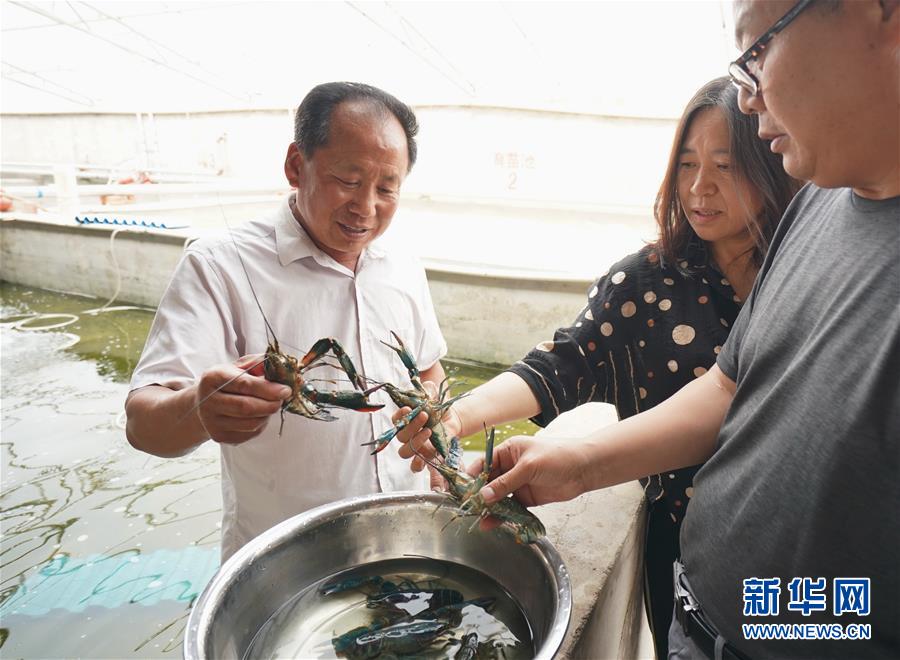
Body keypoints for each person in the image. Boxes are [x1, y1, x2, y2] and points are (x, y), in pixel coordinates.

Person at [405, 1, 899, 657]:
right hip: (694, 610)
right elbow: (727, 387)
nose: (749, 95)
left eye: (758, 48)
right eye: (687, 165)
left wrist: (795, 629)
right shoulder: (817, 204)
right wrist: (576, 462)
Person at [394, 76, 798, 659]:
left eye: (725, 166)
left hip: (792, 544)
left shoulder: (798, 273)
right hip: (682, 543)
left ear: (770, 164)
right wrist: (456, 415)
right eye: (686, 165)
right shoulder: (645, 281)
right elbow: (562, 363)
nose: (699, 187)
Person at [125, 82, 447, 561]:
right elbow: (142, 425)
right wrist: (199, 408)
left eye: (386, 188)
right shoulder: (218, 264)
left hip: (408, 538)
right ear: (296, 165)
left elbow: (427, 369)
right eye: (348, 180)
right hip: (287, 563)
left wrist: (435, 430)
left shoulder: (402, 262)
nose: (366, 207)